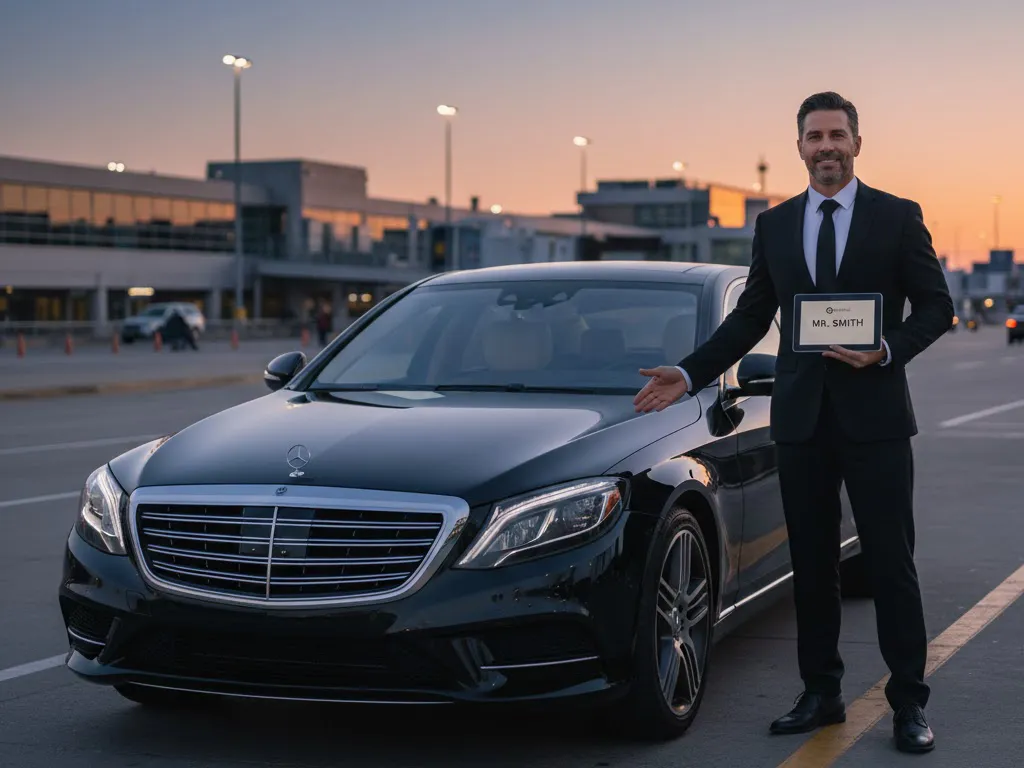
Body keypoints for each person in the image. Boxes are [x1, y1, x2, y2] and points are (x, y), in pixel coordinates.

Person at [633, 91, 953, 754]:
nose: (827, 147)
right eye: (815, 137)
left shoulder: (896, 217)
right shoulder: (775, 226)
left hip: (877, 421)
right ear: (800, 147)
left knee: (891, 564)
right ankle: (821, 693)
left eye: (838, 135)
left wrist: (885, 348)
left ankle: (909, 704)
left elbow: (936, 306)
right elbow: (751, 317)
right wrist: (689, 373)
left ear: (857, 143)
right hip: (801, 421)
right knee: (812, 566)